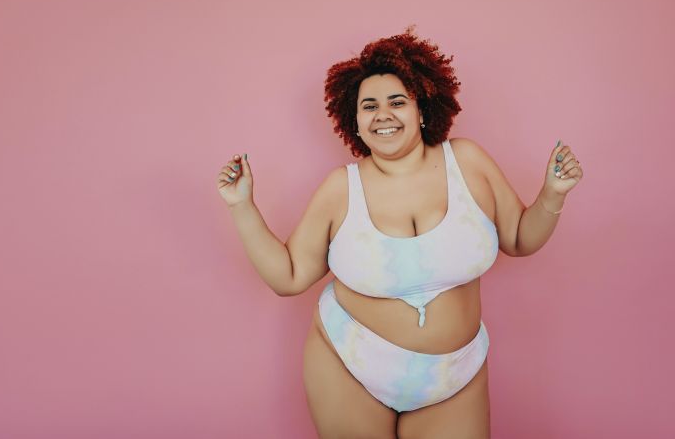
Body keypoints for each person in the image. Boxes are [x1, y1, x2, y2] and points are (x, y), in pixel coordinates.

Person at [215, 27, 583, 439]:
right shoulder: (341, 188)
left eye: (397, 102)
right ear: (354, 121)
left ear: (422, 109)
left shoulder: (468, 161)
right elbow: (289, 277)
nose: (383, 115)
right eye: (368, 106)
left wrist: (553, 194)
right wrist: (241, 205)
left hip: (454, 375)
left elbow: (519, 238)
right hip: (350, 365)